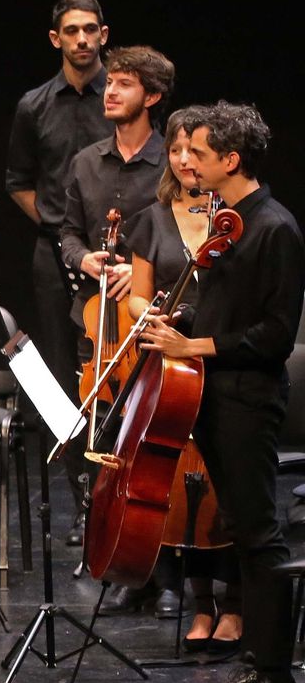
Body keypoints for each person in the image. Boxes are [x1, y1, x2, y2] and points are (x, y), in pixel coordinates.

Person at [139, 101, 303, 683]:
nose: (187, 165)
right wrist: (177, 322)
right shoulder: (226, 221)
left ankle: (277, 682)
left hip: (247, 403)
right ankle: (257, 666)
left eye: (199, 155)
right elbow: (225, 311)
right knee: (238, 529)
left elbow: (274, 337)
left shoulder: (275, 229)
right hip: (214, 398)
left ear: (230, 160)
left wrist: (195, 345)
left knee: (260, 538)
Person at [56, 45, 176, 614]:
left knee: (154, 441)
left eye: (124, 84)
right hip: (97, 319)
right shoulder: (84, 163)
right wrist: (88, 262)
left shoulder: (172, 162)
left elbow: (179, 235)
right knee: (100, 439)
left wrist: (138, 269)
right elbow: (68, 233)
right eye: (111, 82)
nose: (110, 91)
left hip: (149, 322)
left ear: (151, 96)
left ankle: (165, 563)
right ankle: (113, 553)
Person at [120, 109, 239, 653]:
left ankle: (235, 602)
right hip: (170, 361)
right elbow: (141, 291)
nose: (185, 161)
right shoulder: (152, 217)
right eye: (175, 151)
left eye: (194, 151)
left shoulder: (234, 218)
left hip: (221, 360)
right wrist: (152, 316)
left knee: (226, 481)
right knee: (180, 477)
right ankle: (200, 601)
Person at [6, 0, 114, 545]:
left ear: (103, 34)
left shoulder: (121, 97)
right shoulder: (34, 106)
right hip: (55, 256)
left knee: (115, 374)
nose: (80, 39)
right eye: (70, 31)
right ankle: (83, 502)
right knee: (63, 377)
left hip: (119, 257)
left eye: (90, 29)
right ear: (56, 38)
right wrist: (56, 224)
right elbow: (17, 182)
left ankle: (124, 496)